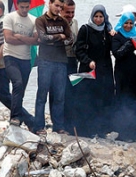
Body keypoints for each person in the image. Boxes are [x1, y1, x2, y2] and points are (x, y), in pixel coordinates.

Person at [0, 0, 34, 134]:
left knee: (5, 96)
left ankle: (29, 119)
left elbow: (3, 44)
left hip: (0, 65)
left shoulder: (3, 22)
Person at [74, 4, 115, 137]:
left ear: (105, 17)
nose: (98, 19)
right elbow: (78, 50)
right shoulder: (85, 30)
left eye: (101, 16)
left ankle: (101, 130)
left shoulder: (107, 31)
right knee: (87, 100)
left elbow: (113, 49)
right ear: (92, 16)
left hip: (104, 72)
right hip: (88, 71)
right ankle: (86, 130)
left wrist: (113, 33)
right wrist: (88, 61)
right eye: (96, 16)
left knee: (103, 100)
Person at [34, 0, 72, 135]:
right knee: (42, 95)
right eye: (56, 5)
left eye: (61, 7)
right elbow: (43, 38)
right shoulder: (41, 20)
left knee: (59, 96)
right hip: (45, 61)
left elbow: (70, 39)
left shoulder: (63, 22)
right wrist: (59, 37)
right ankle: (38, 126)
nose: (58, 9)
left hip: (61, 61)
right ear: (49, 4)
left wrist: (54, 39)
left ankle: (58, 126)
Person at [3, 0, 38, 129]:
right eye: (22, 7)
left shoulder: (33, 20)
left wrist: (20, 37)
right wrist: (26, 40)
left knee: (21, 89)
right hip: (10, 56)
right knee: (17, 83)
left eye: (26, 7)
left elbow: (36, 40)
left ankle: (19, 118)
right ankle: (15, 117)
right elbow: (8, 39)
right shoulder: (9, 17)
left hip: (26, 58)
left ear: (30, 6)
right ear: (17, 5)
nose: (24, 10)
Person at [112, 12, 136, 142]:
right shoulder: (117, 36)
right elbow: (117, 54)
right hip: (122, 75)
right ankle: (123, 132)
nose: (128, 25)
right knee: (122, 102)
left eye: (131, 23)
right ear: (122, 22)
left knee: (135, 102)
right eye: (126, 22)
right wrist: (129, 43)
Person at [61, 0, 78, 135]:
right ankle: (59, 125)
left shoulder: (75, 23)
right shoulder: (56, 23)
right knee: (59, 93)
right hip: (60, 60)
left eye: (72, 12)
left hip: (73, 60)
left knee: (71, 93)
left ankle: (70, 124)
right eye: (67, 12)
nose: (70, 15)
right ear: (61, 10)